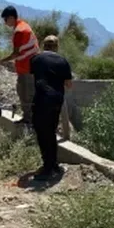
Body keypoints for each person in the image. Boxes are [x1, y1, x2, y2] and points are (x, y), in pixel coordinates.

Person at [29, 36, 73, 180]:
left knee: (42, 133)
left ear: (44, 45)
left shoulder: (36, 59)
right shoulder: (63, 61)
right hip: (56, 100)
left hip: (42, 99)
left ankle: (47, 169)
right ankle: (53, 165)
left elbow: (34, 77)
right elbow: (69, 85)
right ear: (57, 47)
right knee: (51, 132)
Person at [0, 6, 39, 126]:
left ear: (11, 17)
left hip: (27, 68)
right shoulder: (24, 26)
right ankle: (28, 118)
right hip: (28, 68)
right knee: (24, 93)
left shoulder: (19, 31)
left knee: (26, 95)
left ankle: (29, 121)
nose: (5, 22)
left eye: (5, 19)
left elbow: (15, 54)